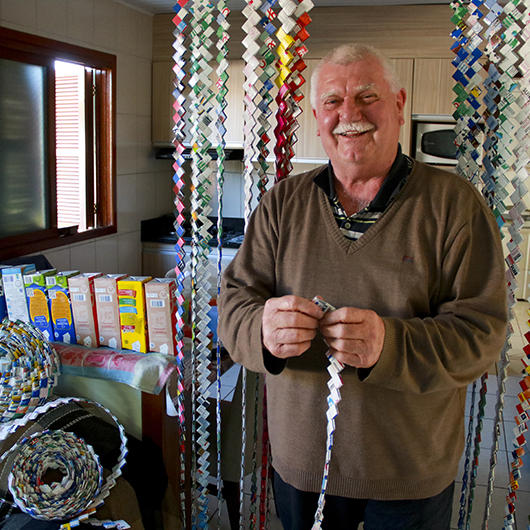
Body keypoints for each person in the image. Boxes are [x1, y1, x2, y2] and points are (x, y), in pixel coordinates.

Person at [217, 43, 507, 530]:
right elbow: (233, 307)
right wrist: (262, 330)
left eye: (367, 97)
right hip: (302, 464)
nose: (349, 114)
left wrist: (388, 345)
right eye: (333, 101)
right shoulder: (282, 203)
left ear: (398, 104)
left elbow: (482, 334)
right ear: (316, 117)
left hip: (408, 471)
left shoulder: (455, 206)